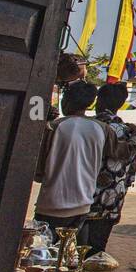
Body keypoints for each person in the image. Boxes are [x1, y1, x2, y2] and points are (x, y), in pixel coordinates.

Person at [34, 80, 105, 233]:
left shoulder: (55, 127)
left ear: (67, 101)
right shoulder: (101, 129)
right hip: (83, 205)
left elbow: (38, 172)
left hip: (52, 204)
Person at [84, 82, 136, 256]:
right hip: (110, 201)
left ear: (98, 100)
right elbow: (130, 171)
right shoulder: (130, 134)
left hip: (79, 198)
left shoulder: (86, 126)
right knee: (96, 251)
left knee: (70, 249)